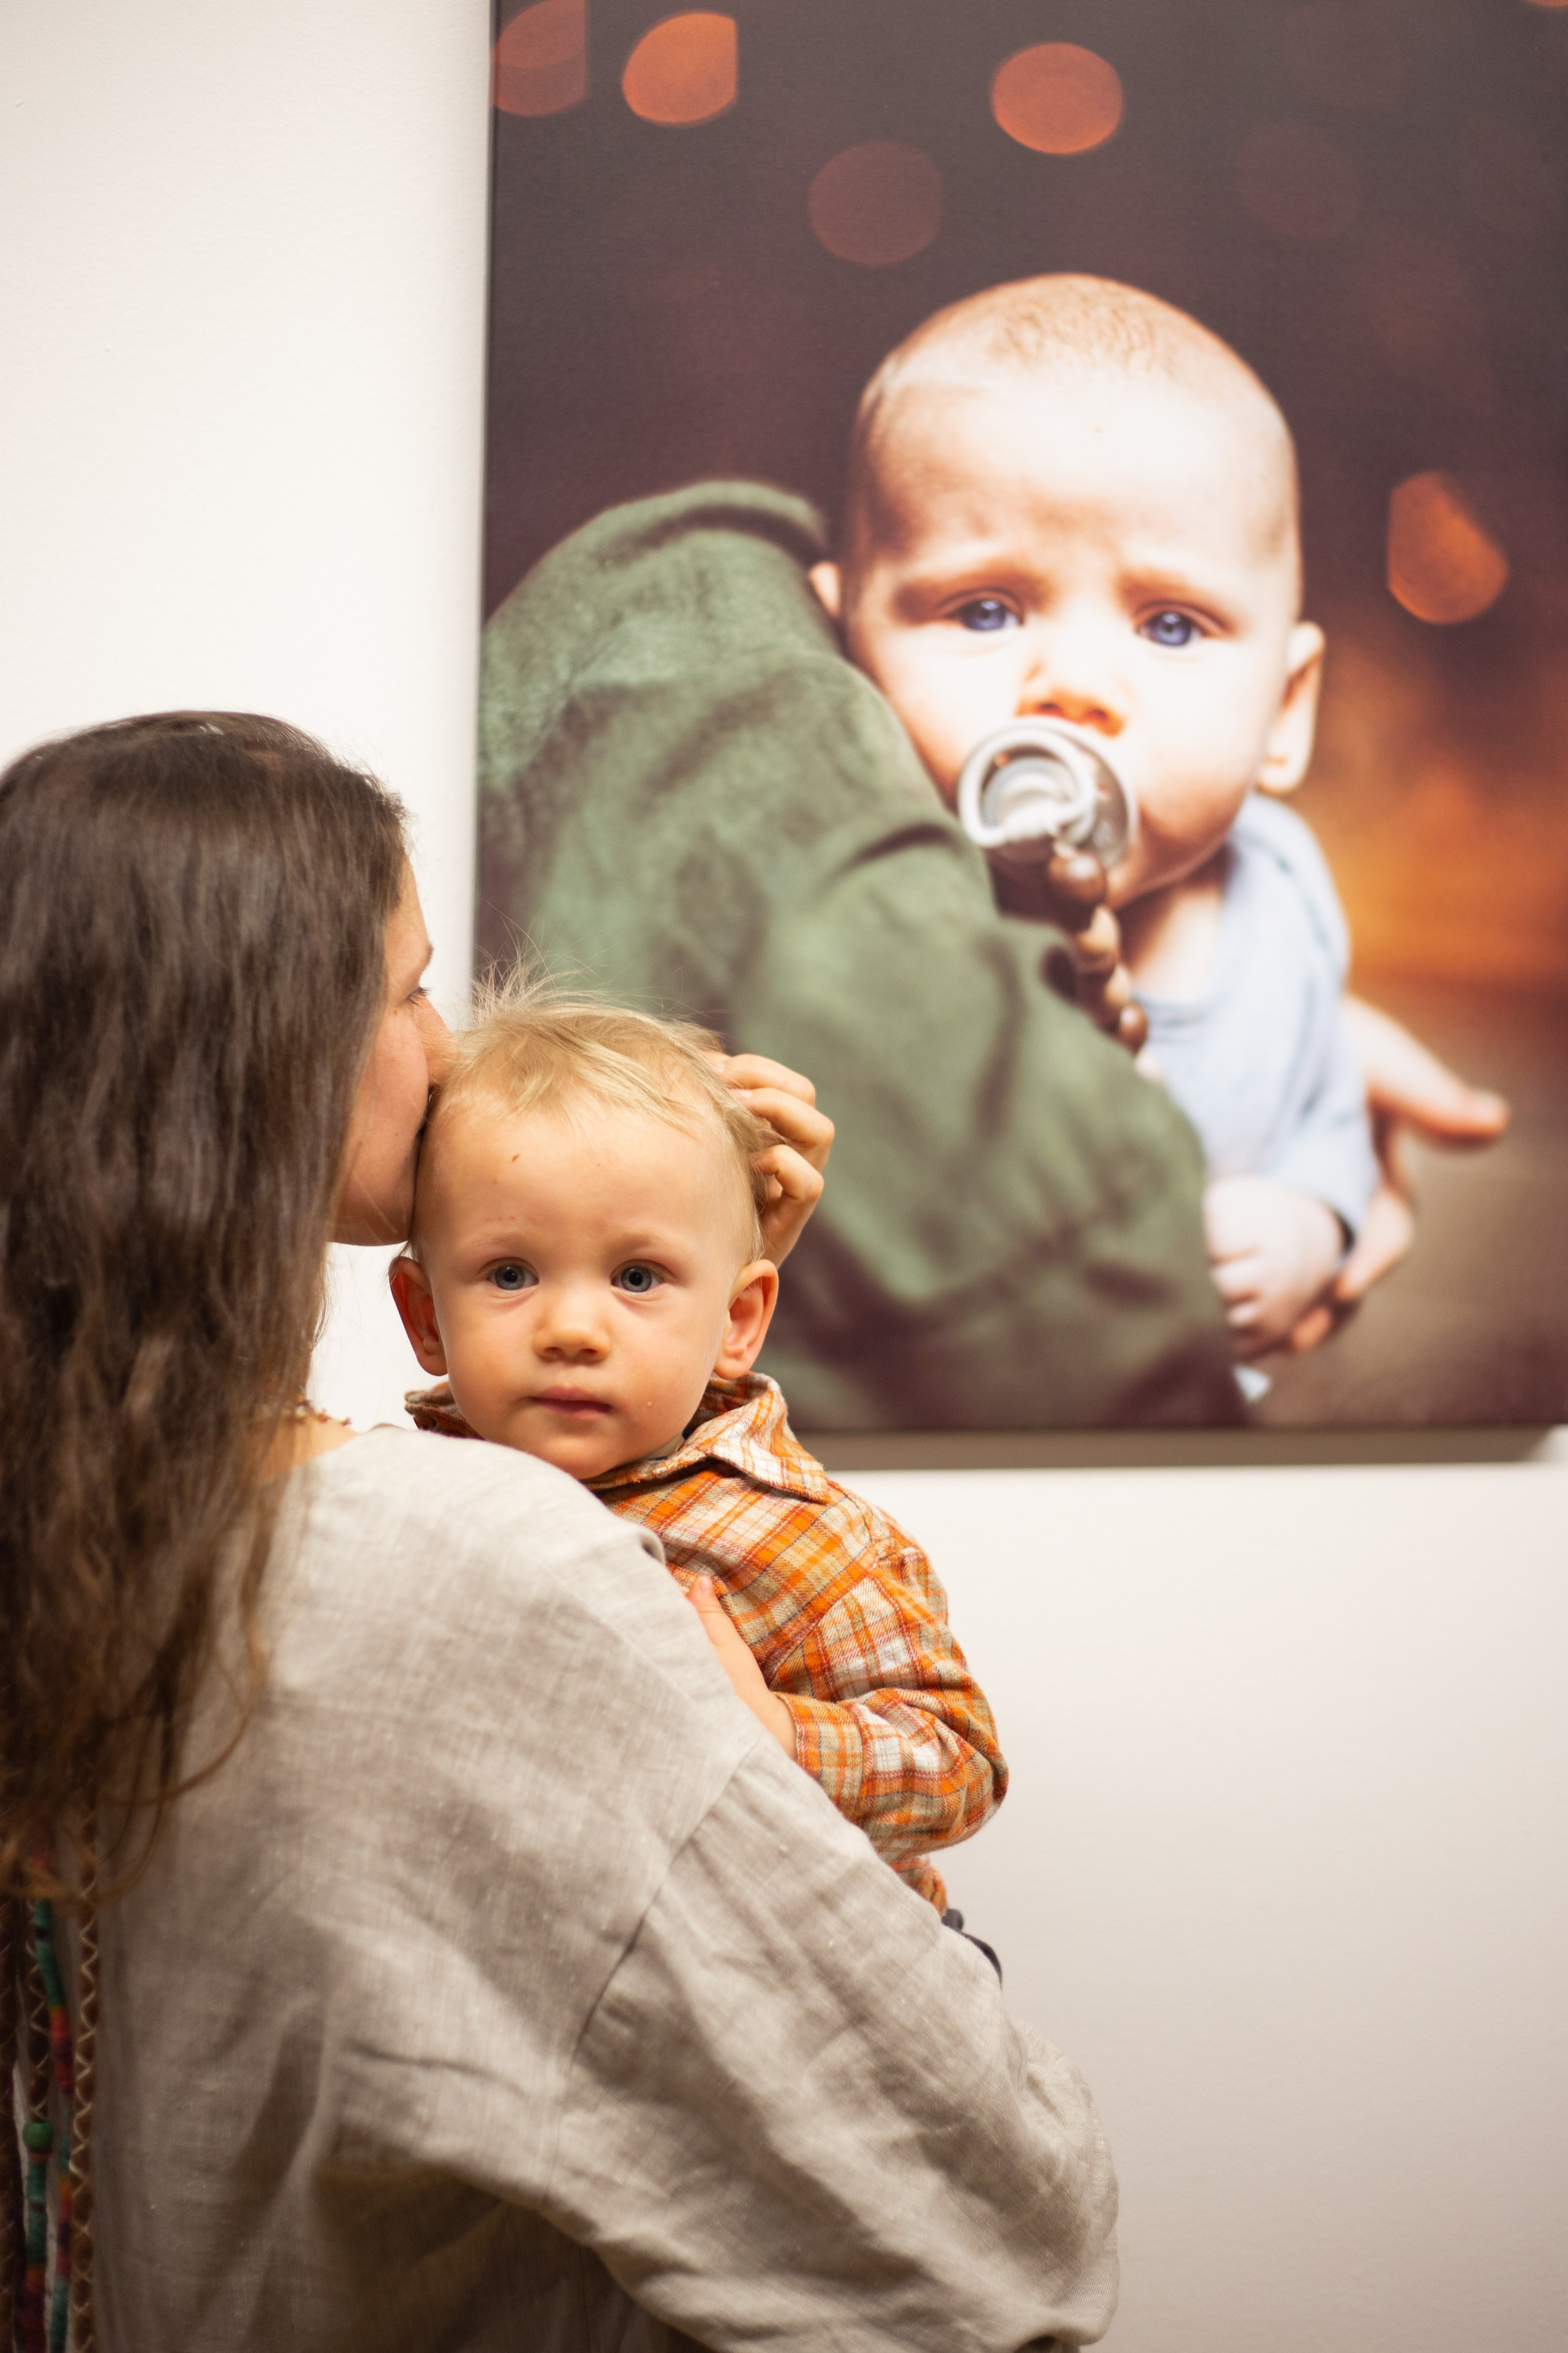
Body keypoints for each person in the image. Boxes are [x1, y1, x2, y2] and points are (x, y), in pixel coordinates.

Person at [0, 711, 1119, 2352]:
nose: (444, 1050)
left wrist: (686, 1297)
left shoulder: (78, 1533)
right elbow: (1001, 2217)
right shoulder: (476, 1571)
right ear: (284, 1054)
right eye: (406, 990)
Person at [477, 306, 1507, 1419]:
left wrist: (1316, 1221)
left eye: (1170, 626)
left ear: (1287, 710)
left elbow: (1329, 1107)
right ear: (848, 643)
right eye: (985, 609)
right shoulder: (907, 917)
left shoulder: (1290, 890)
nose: (1071, 684)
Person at [390, 991, 1006, 1916]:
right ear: (427, 1317)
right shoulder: (405, 1501)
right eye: (510, 1274)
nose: (571, 1328)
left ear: (740, 1319)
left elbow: (962, 1760)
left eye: (637, 1276)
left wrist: (778, 1733)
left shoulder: (798, 1538)